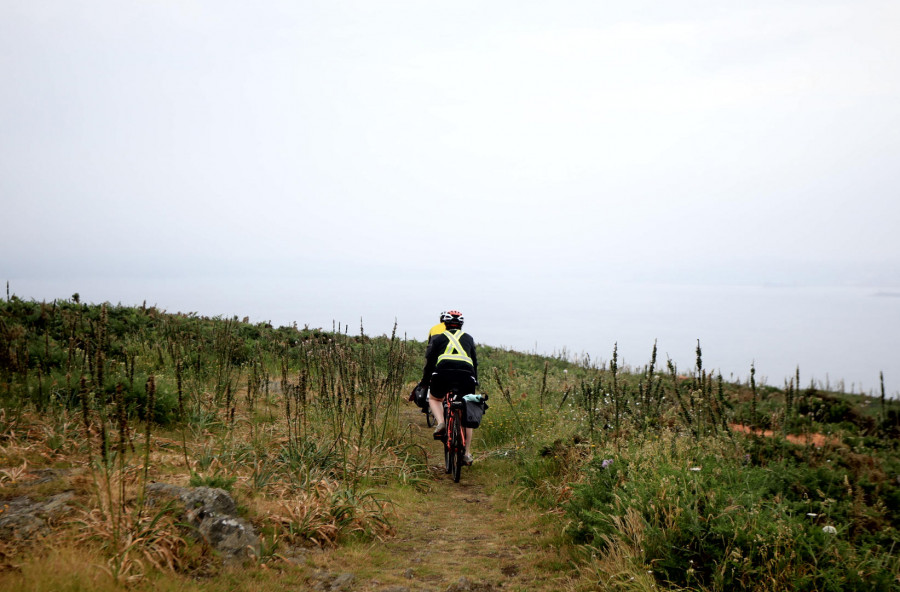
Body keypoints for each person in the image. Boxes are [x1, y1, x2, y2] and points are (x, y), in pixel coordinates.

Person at [419, 310, 478, 465]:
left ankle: (441, 423)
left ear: (444, 324)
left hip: (443, 373)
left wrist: (426, 381)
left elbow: (430, 362)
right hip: (466, 376)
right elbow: (474, 362)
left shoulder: (438, 338)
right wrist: (475, 381)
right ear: (461, 325)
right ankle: (467, 453)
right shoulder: (469, 338)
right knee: (465, 412)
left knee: (434, 398)